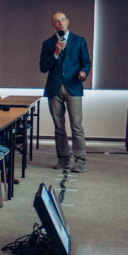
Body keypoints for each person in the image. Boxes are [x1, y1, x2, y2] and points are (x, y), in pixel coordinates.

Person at [40, 11, 90, 172]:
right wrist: (55, 53)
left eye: (62, 20)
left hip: (73, 87)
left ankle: (80, 160)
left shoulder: (79, 41)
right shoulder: (48, 43)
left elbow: (86, 62)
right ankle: (63, 158)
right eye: (56, 21)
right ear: (53, 25)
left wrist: (83, 73)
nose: (60, 23)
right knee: (59, 126)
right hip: (54, 89)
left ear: (67, 21)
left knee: (76, 126)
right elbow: (42, 67)